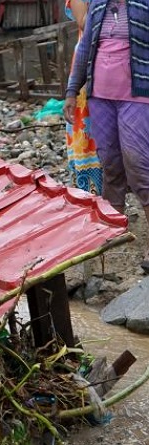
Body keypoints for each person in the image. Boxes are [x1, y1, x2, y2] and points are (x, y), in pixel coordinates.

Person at [63, 0, 149, 272]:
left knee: (139, 167)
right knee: (110, 163)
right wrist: (71, 91)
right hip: (100, 96)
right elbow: (85, 47)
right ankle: (114, 231)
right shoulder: (98, 5)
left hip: (137, 96)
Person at [64, 0, 103, 195]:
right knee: (89, 132)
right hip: (88, 66)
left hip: (124, 69)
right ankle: (93, 197)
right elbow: (86, 23)